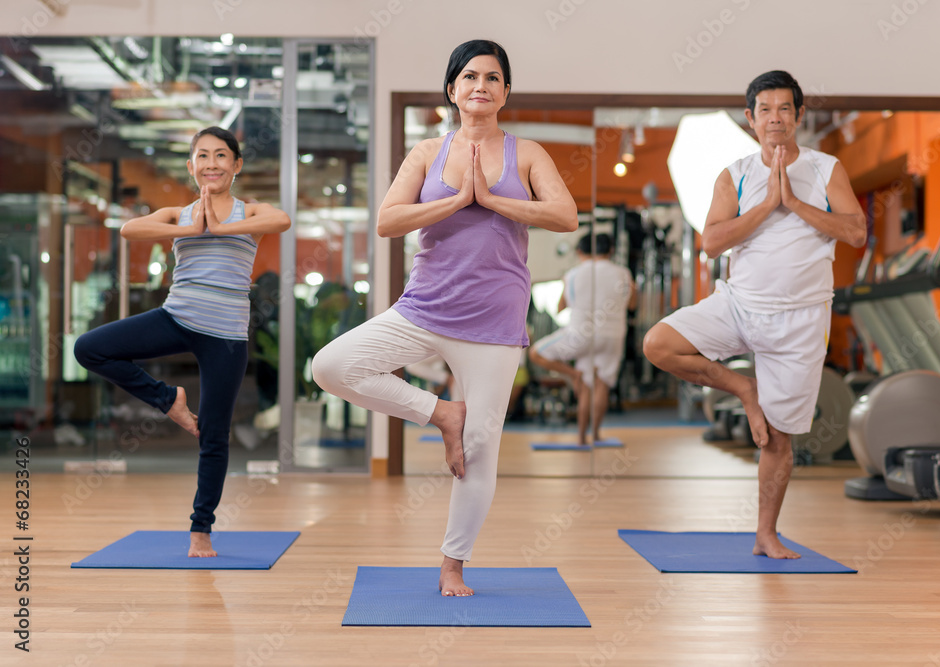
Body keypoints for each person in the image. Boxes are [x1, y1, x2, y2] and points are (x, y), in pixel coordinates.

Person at [311, 39, 577, 596]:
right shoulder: (427, 152)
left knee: (482, 450)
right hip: (424, 307)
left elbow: (564, 215)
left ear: (506, 91)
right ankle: (441, 414)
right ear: (452, 89)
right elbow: (387, 221)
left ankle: (453, 563)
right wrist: (457, 201)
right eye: (470, 76)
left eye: (493, 77)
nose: (481, 85)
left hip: (494, 320)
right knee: (331, 366)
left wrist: (494, 200)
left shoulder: (526, 153)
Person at [642, 71, 866, 559]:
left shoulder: (827, 169)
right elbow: (712, 242)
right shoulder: (736, 172)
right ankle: (745, 388)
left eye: (785, 109)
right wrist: (768, 204)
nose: (775, 119)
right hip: (739, 305)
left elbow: (854, 232)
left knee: (777, 440)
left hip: (802, 319)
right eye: (765, 110)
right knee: (658, 343)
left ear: (799, 115)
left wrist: (796, 203)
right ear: (751, 118)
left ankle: (766, 534)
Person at [74, 127, 291, 558]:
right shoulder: (178, 214)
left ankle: (200, 530)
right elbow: (130, 229)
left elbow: (280, 220)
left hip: (226, 335)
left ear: (236, 165)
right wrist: (193, 227)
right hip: (176, 317)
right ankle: (167, 398)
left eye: (221, 155)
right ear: (191, 167)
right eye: (203, 156)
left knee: (214, 435)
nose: (212, 163)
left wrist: (223, 227)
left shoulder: (251, 211)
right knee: (88, 348)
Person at [528, 233, 636, 445]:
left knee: (536, 353)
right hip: (613, 335)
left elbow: (561, 307)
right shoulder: (623, 273)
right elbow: (632, 305)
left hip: (581, 334)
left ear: (579, 251)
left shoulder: (574, 274)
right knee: (602, 383)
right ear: (611, 250)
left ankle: (580, 434)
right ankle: (595, 435)